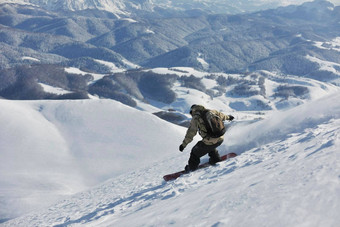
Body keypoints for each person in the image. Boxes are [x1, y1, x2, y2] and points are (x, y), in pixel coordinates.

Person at [179, 104, 234, 172]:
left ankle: (191, 168)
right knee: (208, 144)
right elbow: (223, 116)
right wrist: (229, 117)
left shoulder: (196, 118)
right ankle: (215, 159)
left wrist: (183, 145)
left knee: (194, 152)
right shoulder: (211, 111)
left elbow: (191, 133)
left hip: (210, 140)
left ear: (193, 111)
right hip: (220, 138)